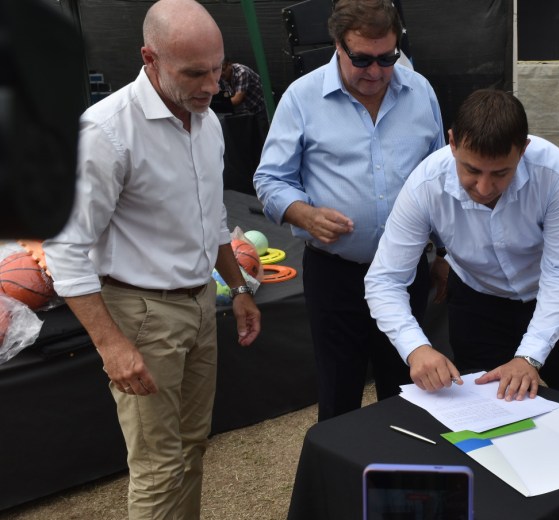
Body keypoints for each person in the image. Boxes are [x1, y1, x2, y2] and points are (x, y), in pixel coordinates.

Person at [42, 1, 261, 518]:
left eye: (217, 68)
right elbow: (66, 246)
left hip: (200, 300)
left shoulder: (205, 121)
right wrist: (111, 344)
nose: (211, 85)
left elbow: (210, 219)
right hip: (141, 313)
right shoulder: (106, 131)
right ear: (149, 58)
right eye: (193, 72)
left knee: (192, 446)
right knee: (159, 467)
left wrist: (241, 289)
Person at [253, 0, 444, 421]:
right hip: (336, 276)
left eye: (387, 58)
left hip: (404, 273)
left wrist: (444, 254)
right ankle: (343, 485)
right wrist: (303, 214)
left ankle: (402, 482)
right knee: (340, 397)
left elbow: (441, 179)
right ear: (336, 45)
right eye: (361, 59)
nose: (375, 72)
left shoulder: (420, 92)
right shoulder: (302, 98)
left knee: (409, 395)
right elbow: (269, 179)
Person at [365, 89, 559, 402]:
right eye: (471, 170)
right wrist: (416, 348)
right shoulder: (425, 185)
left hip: (549, 298)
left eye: (501, 173)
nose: (484, 187)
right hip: (477, 303)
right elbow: (384, 279)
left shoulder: (554, 172)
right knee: (484, 413)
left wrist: (528, 358)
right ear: (453, 143)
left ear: (523, 150)